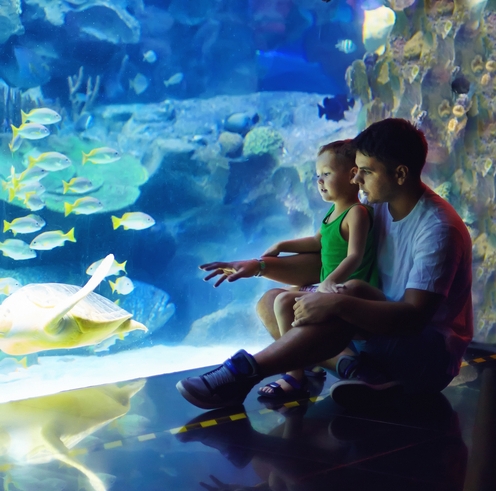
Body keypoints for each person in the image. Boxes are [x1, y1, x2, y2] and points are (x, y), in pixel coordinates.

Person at [177, 118, 473, 410]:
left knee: (351, 290)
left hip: (422, 357)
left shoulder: (437, 229)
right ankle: (359, 373)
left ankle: (244, 373)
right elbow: (327, 261)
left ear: (400, 174)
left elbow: (413, 318)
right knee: (272, 301)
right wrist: (259, 266)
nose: (356, 180)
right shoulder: (375, 206)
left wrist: (337, 305)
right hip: (373, 337)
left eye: (366, 172)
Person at [255, 139, 378, 400]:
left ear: (352, 175)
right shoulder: (332, 213)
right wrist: (281, 244)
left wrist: (328, 282)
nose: (319, 181)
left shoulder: (357, 213)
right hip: (329, 288)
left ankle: (294, 375)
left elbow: (355, 256)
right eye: (317, 176)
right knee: (280, 297)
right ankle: (306, 361)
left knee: (285, 301)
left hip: (348, 291)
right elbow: (316, 241)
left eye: (326, 174)